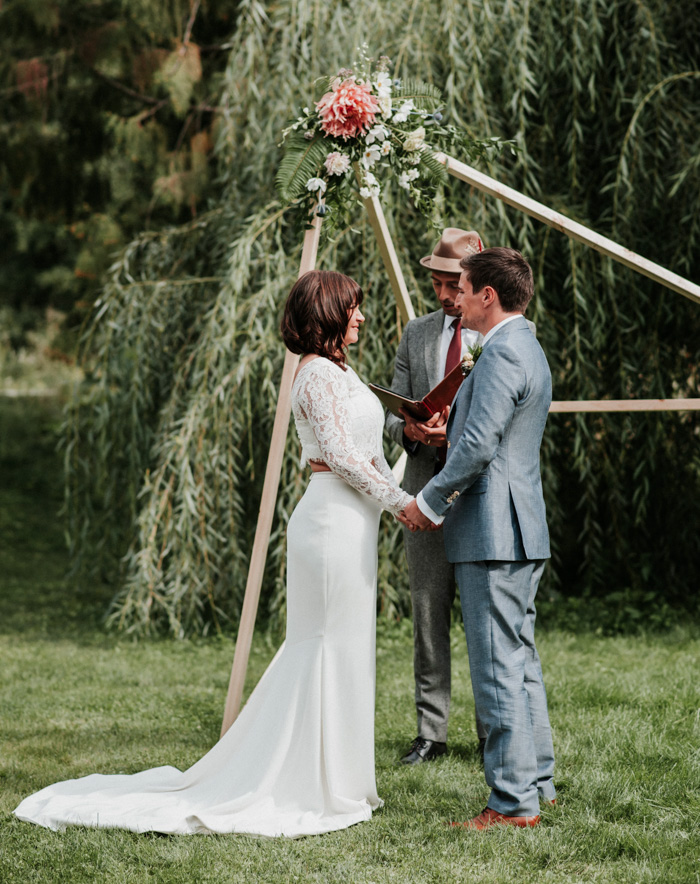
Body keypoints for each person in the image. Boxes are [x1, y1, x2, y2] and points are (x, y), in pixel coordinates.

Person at [14, 269, 412, 839]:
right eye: (352, 308)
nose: (362, 317)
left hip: (355, 524)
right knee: (321, 646)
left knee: (346, 648)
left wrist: (407, 465)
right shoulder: (316, 375)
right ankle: (306, 781)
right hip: (328, 524)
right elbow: (341, 459)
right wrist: (402, 504)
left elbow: (367, 452)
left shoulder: (341, 371)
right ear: (327, 311)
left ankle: (341, 780)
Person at [398, 247, 556, 829]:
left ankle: (512, 803)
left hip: (493, 533)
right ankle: (539, 782)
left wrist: (428, 503)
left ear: (488, 295)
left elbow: (477, 447)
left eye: (461, 288)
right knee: (519, 662)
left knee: (495, 668)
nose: (454, 298)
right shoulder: (526, 347)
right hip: (519, 528)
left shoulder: (499, 355)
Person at [384, 226, 488, 765]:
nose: (446, 295)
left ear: (476, 282)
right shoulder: (417, 333)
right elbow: (393, 409)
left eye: (453, 284)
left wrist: (460, 431)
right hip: (422, 489)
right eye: (437, 283)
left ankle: (491, 730)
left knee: (482, 616)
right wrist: (411, 431)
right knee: (428, 613)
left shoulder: (495, 335)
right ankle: (431, 733)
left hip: (478, 495)